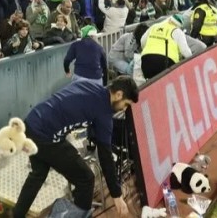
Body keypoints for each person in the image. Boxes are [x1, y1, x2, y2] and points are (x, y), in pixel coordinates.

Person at [13, 76, 139, 218]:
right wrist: (116, 195)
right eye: (126, 104)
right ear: (118, 95)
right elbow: (105, 156)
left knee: (38, 174)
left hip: (31, 123)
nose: (124, 108)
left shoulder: (91, 86)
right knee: (85, 179)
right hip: (45, 136)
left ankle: (17, 215)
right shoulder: (103, 112)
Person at [139, 15, 203, 81]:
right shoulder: (177, 31)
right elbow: (186, 53)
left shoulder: (154, 26)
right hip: (165, 62)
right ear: (179, 25)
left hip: (146, 60)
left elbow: (142, 41)